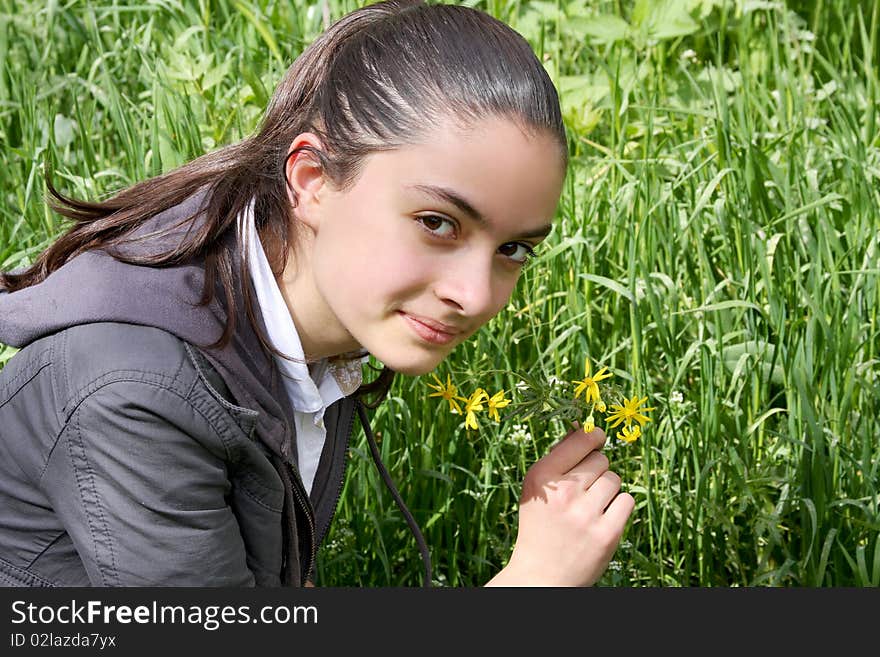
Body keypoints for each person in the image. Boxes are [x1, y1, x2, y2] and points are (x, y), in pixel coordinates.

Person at [0, 0, 634, 587]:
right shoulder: (137, 391)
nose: (474, 294)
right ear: (311, 181)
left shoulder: (304, 307)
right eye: (437, 224)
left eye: (513, 250)